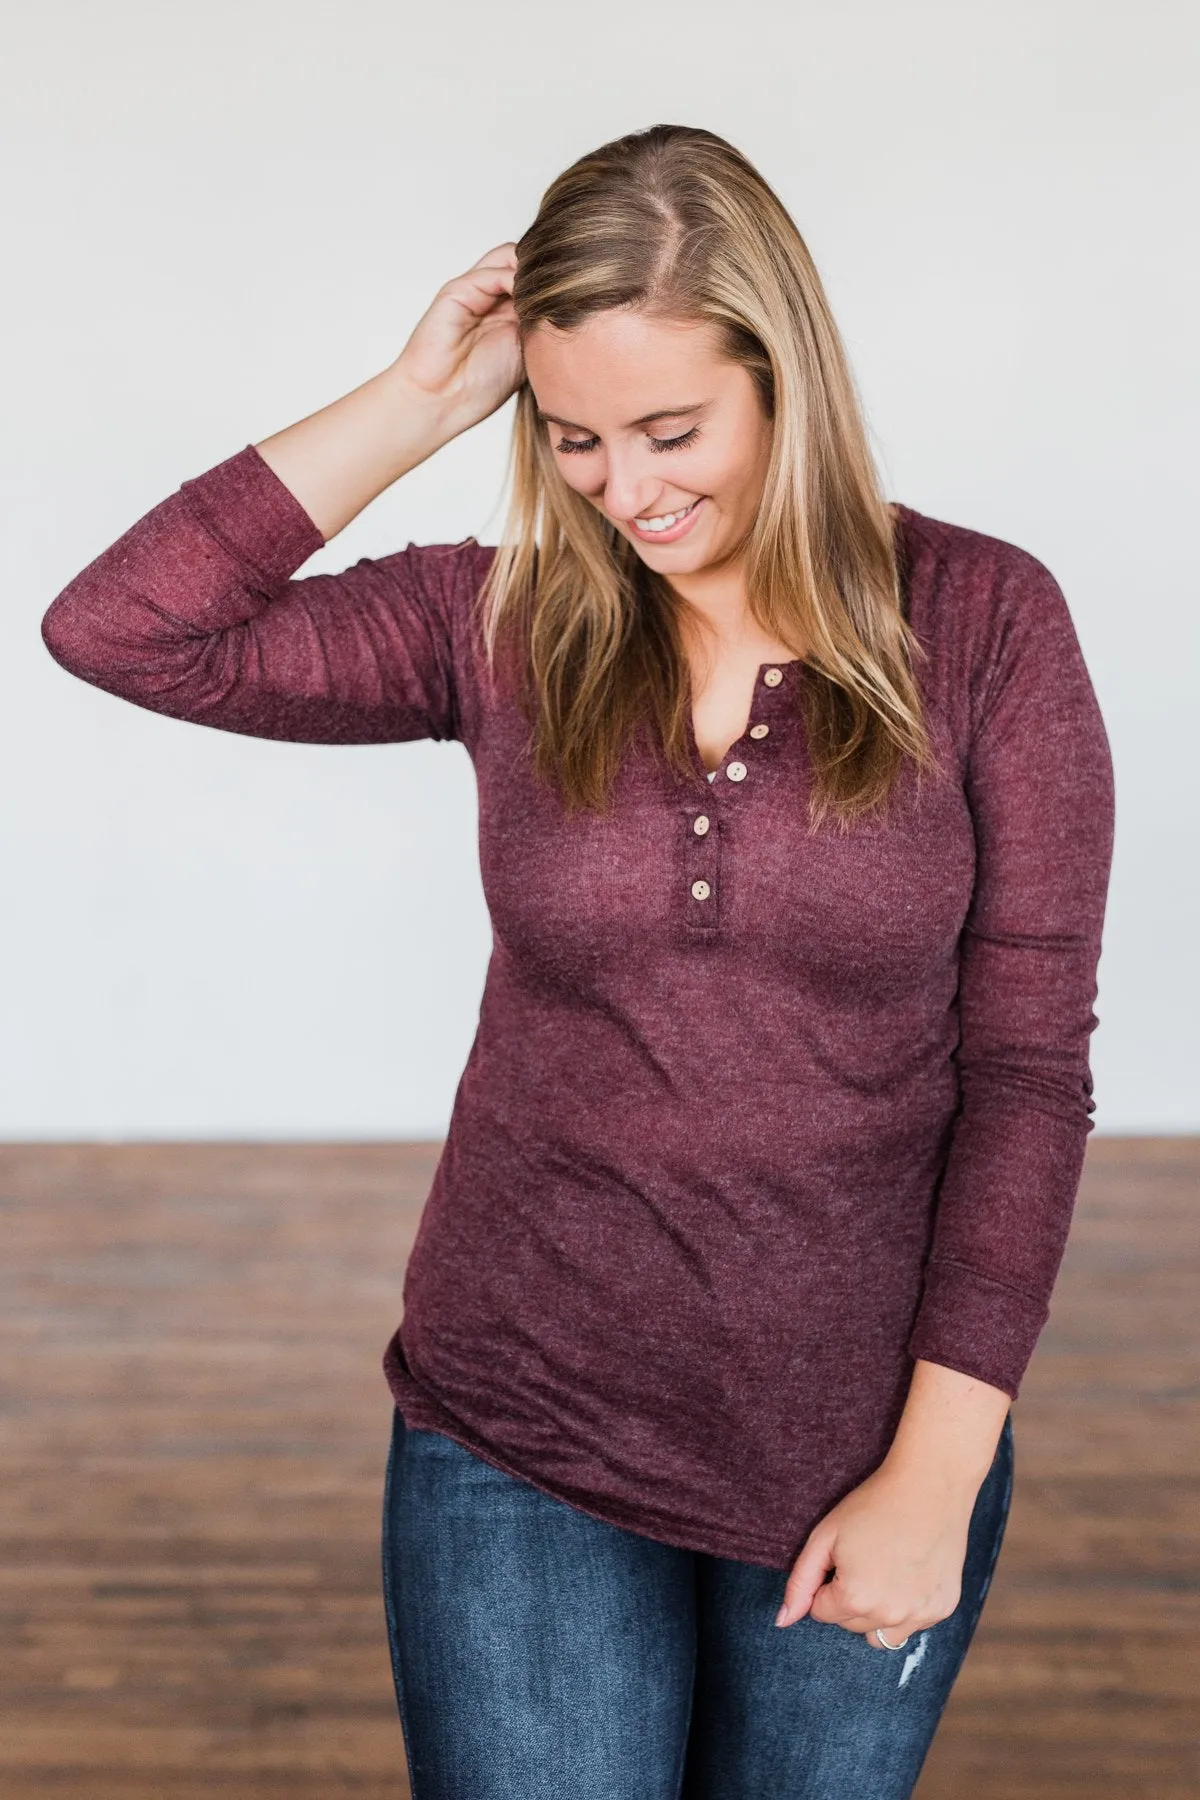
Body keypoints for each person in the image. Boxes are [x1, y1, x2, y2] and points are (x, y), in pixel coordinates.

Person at [41, 123, 1115, 1798]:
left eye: (674, 429)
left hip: (859, 1445)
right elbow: (123, 629)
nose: (630, 488)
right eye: (578, 440)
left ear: (789, 381)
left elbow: (1033, 1077)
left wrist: (939, 1467)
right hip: (519, 1429)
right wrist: (415, 401)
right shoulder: (507, 621)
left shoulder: (984, 625)